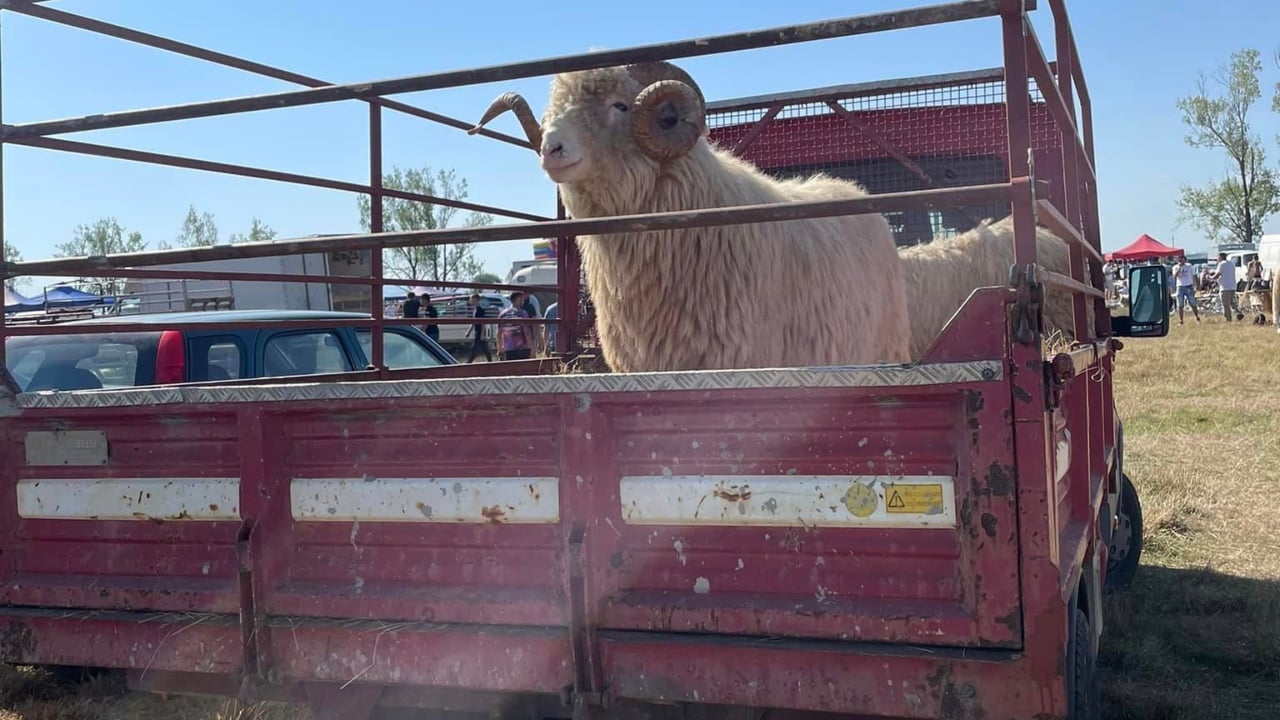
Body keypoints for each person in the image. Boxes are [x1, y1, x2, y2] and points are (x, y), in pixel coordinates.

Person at [498, 291, 536, 361]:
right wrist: (532, 348)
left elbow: (500, 333)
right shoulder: (522, 314)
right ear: (518, 299)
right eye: (522, 299)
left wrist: (500, 348)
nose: (523, 301)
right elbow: (527, 332)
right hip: (522, 347)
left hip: (508, 348)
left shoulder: (502, 314)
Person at [1171, 255, 1200, 325]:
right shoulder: (1175, 267)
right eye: (1179, 259)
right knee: (1180, 305)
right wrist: (1179, 268)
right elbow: (1174, 276)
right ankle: (1181, 320)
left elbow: (1194, 275)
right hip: (1180, 287)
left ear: (1185, 259)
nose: (1181, 260)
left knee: (1193, 303)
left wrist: (1197, 285)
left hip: (1189, 286)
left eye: (1182, 259)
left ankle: (1197, 317)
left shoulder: (1189, 266)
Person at [463, 293, 492, 363]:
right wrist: (468, 332)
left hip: (480, 332)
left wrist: (482, 334)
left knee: (477, 349)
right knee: (483, 348)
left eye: (471, 299)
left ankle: (469, 362)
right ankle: (490, 361)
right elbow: (473, 322)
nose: (470, 300)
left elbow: (482, 322)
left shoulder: (480, 310)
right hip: (477, 332)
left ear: (475, 300)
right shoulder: (475, 310)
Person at [1209, 252, 1237, 321]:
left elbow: (1217, 275)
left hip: (1224, 287)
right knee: (1232, 303)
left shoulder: (1221, 264)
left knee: (1225, 304)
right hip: (1232, 286)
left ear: (1220, 257)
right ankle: (1238, 313)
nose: (1217, 259)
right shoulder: (1231, 263)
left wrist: (1210, 277)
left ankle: (1227, 318)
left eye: (1218, 258)